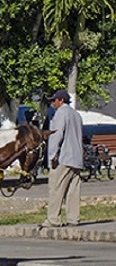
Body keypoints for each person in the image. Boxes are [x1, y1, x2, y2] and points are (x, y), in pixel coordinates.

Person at [42, 89, 84, 228]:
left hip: (63, 157)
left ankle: (53, 219)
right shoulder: (76, 115)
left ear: (61, 100)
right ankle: (73, 218)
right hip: (76, 158)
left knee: (56, 188)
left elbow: (56, 135)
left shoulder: (61, 113)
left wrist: (51, 156)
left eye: (54, 100)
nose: (53, 103)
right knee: (73, 191)